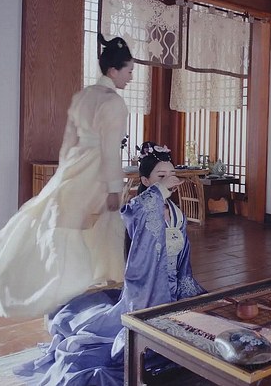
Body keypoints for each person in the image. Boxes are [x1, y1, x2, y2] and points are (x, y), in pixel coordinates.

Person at [14, 144, 207, 385]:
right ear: (146, 181)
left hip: (175, 289)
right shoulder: (139, 208)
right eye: (161, 176)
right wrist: (159, 191)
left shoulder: (176, 213)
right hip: (147, 291)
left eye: (171, 174)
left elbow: (182, 256)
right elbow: (132, 214)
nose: (169, 180)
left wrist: (185, 288)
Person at [0, 35, 134, 318]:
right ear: (113, 71)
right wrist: (113, 188)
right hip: (95, 172)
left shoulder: (84, 96)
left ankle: (86, 288)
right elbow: (110, 150)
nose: (131, 77)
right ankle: (79, 291)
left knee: (66, 223)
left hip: (74, 167)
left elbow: (68, 141)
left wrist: (63, 173)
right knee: (91, 228)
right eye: (129, 71)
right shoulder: (114, 103)